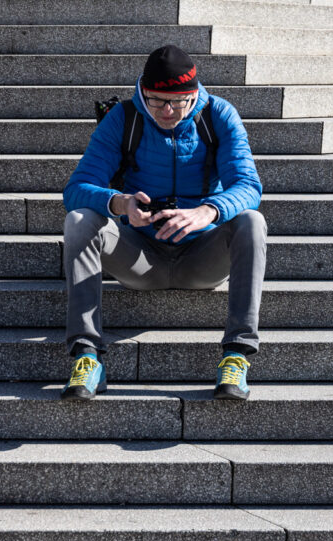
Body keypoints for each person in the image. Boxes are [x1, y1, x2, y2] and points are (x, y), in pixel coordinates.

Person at [60, 45, 266, 401]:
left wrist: (209, 211)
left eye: (179, 101)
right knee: (79, 220)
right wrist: (119, 203)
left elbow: (249, 186)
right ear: (142, 90)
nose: (168, 111)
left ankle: (236, 355)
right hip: (140, 257)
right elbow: (76, 189)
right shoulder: (123, 118)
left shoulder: (218, 115)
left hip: (203, 256)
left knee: (251, 220)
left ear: (194, 94)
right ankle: (87, 356)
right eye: (156, 100)